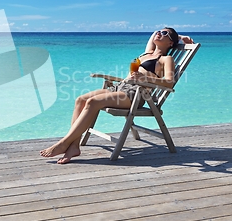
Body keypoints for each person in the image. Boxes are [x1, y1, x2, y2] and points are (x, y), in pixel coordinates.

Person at [40, 28, 194, 164]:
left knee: (93, 102)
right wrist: (180, 36)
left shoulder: (166, 59)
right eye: (160, 31)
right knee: (80, 100)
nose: (159, 34)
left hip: (135, 94)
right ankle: (74, 146)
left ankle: (63, 143)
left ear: (170, 43)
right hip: (120, 87)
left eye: (165, 33)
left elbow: (168, 82)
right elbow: (154, 34)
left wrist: (145, 79)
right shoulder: (146, 53)